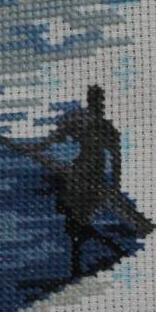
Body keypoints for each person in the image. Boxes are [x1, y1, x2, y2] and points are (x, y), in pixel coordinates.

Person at [37, 84, 126, 277]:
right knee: (75, 223)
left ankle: (101, 254)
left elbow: (116, 158)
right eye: (95, 100)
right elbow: (56, 136)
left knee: (78, 224)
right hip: (81, 175)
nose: (97, 104)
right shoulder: (86, 122)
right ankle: (103, 252)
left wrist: (115, 187)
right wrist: (38, 148)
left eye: (98, 100)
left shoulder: (103, 127)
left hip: (90, 179)